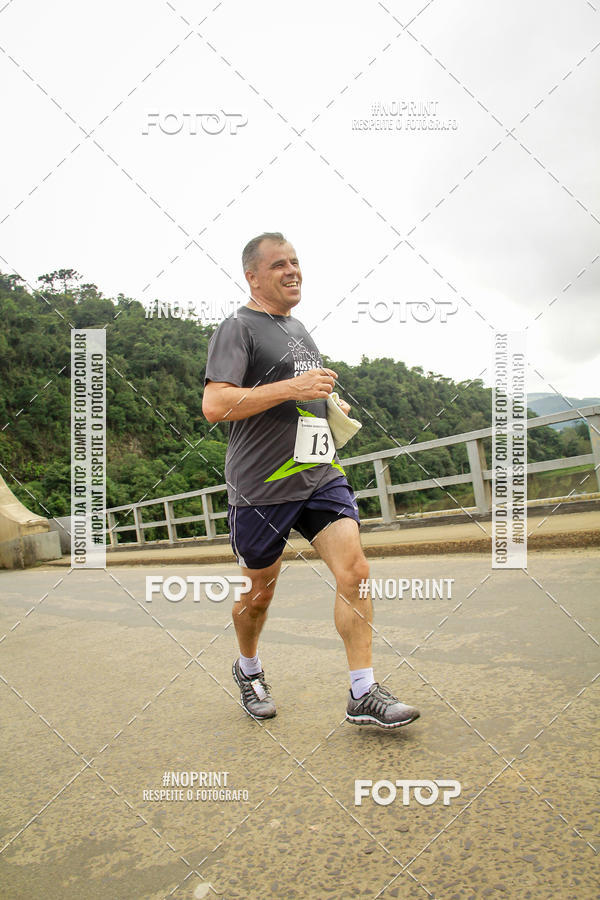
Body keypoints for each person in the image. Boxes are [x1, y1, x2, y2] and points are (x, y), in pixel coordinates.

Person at [202, 232, 420, 729]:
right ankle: (248, 669)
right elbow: (215, 404)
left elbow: (300, 393)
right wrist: (292, 387)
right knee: (258, 595)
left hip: (319, 474)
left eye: (295, 262)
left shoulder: (299, 329)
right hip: (262, 486)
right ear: (252, 276)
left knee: (355, 572)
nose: (292, 271)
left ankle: (362, 692)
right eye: (279, 264)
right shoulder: (236, 328)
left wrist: (325, 401)